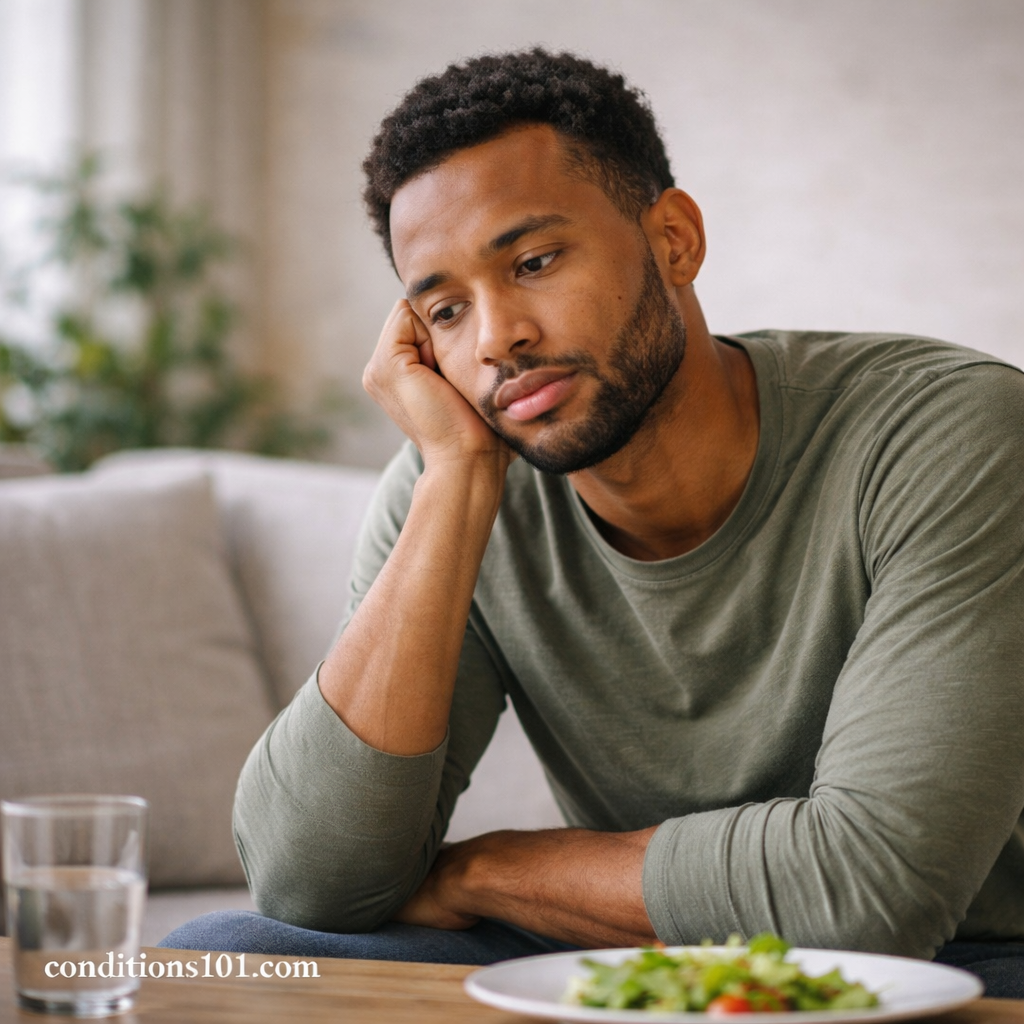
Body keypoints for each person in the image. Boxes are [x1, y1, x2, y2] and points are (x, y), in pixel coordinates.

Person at [161, 49, 1024, 996]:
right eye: (445, 309)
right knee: (231, 951)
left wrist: (483, 871)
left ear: (674, 239)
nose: (496, 341)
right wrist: (452, 479)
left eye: (533, 262)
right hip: (654, 950)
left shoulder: (951, 433)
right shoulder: (462, 477)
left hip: (965, 957)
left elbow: (874, 888)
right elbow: (305, 881)